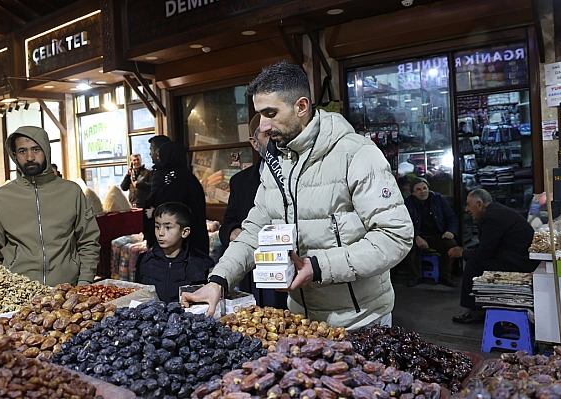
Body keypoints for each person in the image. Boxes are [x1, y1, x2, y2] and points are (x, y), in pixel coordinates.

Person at [181, 61, 413, 329]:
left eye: (270, 113)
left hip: (361, 320)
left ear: (301, 107)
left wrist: (317, 266)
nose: (263, 126)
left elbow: (395, 235)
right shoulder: (276, 162)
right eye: (259, 114)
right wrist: (218, 280)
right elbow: (255, 228)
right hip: (302, 318)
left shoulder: (356, 154)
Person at [0, 126, 101, 287]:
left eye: (36, 149)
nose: (29, 157)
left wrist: (84, 281)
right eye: (22, 151)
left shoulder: (71, 192)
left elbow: (89, 240)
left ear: (46, 151)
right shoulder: (0, 199)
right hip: (20, 292)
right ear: (14, 155)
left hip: (66, 288)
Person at [220, 113, 286, 308]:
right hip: (254, 266)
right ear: (255, 142)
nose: (276, 141)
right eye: (268, 135)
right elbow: (229, 221)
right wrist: (234, 233)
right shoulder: (240, 182)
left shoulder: (296, 174)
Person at [448, 189, 538, 323]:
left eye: (468, 204)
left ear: (479, 204)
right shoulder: (495, 211)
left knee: (474, 263)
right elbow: (488, 244)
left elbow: (485, 253)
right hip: (517, 256)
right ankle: (480, 306)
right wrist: (467, 250)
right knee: (475, 258)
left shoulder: (490, 217)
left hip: (519, 262)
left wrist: (462, 253)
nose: (467, 209)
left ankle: (475, 311)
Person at [135, 202, 214, 303]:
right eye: (157, 227)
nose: (161, 233)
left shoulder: (201, 264)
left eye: (168, 227)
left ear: (184, 232)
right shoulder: (145, 260)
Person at [144, 141, 209, 254]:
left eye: (162, 155)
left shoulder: (174, 179)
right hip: (194, 239)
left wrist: (154, 212)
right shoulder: (187, 177)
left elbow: (173, 208)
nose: (159, 158)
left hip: (181, 244)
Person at [403, 177, 459, 287]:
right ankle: (416, 276)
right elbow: (405, 223)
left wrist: (450, 231)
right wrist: (416, 236)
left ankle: (445, 276)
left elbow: (451, 217)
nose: (423, 191)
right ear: (413, 193)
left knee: (450, 244)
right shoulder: (408, 203)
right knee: (410, 245)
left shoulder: (438, 199)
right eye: (418, 189)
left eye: (425, 188)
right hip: (420, 235)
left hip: (438, 234)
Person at [142, 135, 171, 246]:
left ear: (158, 151)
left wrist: (151, 212)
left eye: (151, 150)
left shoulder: (161, 172)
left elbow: (155, 198)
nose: (150, 154)